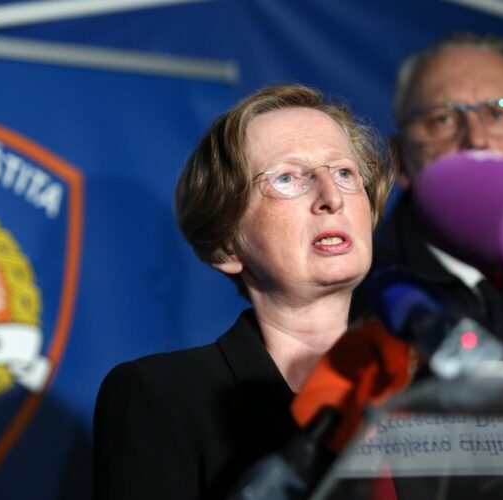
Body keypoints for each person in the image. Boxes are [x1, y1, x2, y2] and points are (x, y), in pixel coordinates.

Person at [93, 83, 394, 499]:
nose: (331, 198)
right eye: (287, 178)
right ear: (227, 244)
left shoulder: (437, 386)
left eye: (344, 173)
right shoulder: (163, 398)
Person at [359, 32, 503, 355]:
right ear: (400, 160)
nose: (475, 139)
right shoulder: (357, 294)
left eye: (499, 114)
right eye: (443, 119)